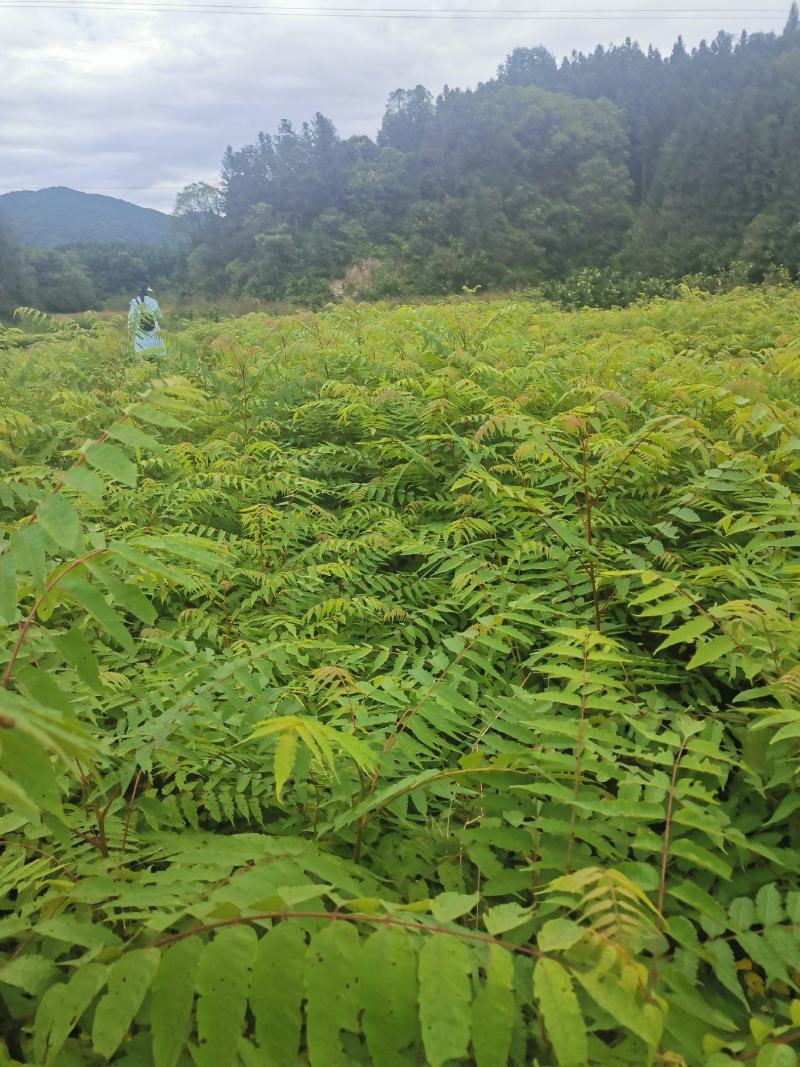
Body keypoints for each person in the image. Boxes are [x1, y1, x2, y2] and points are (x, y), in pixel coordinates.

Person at [128, 283, 165, 355]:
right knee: (156, 351)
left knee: (142, 352)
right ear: (148, 291)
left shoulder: (134, 302)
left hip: (140, 330)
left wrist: (130, 331)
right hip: (154, 329)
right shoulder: (154, 301)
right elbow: (160, 316)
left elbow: (131, 318)